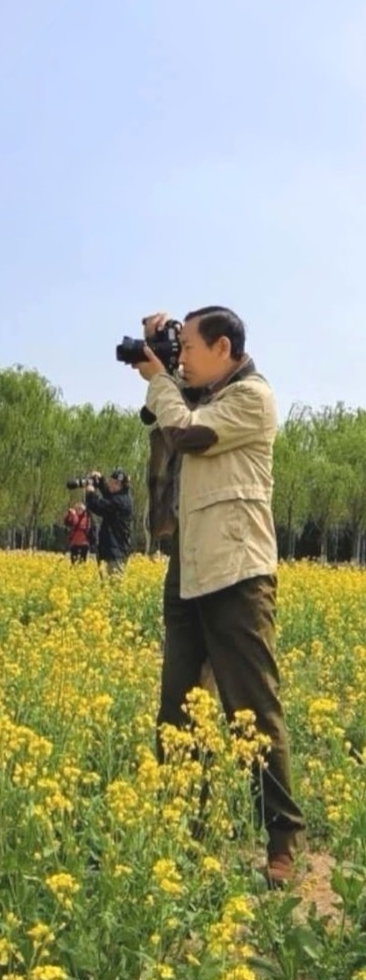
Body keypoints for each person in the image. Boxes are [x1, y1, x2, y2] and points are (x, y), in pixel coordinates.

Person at [132, 306, 304, 888]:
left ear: (225, 348)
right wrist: (162, 356)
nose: (183, 359)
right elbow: (164, 414)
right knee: (177, 711)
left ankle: (282, 840)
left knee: (251, 711)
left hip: (237, 570)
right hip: (189, 566)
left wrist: (160, 379)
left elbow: (184, 435)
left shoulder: (251, 397)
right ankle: (186, 829)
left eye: (191, 349)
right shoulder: (200, 393)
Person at [84, 469, 133, 574]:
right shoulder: (121, 496)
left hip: (115, 553)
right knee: (107, 587)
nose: (109, 484)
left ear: (118, 484)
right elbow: (108, 494)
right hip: (111, 551)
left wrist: (90, 494)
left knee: (113, 586)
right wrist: (100, 480)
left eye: (111, 482)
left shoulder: (120, 502)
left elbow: (98, 506)